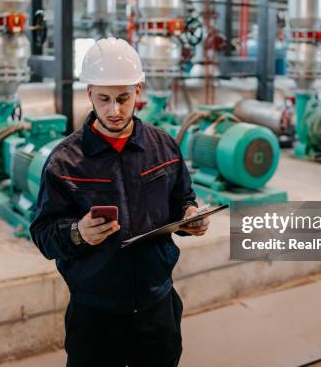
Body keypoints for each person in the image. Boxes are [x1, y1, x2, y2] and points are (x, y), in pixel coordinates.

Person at [29, 37, 210, 367]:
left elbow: (181, 199)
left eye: (124, 98)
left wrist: (190, 216)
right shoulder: (65, 162)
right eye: (104, 99)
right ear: (89, 94)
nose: (114, 110)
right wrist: (77, 233)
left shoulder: (165, 147)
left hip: (157, 306)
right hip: (96, 314)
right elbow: (43, 233)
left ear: (138, 90)